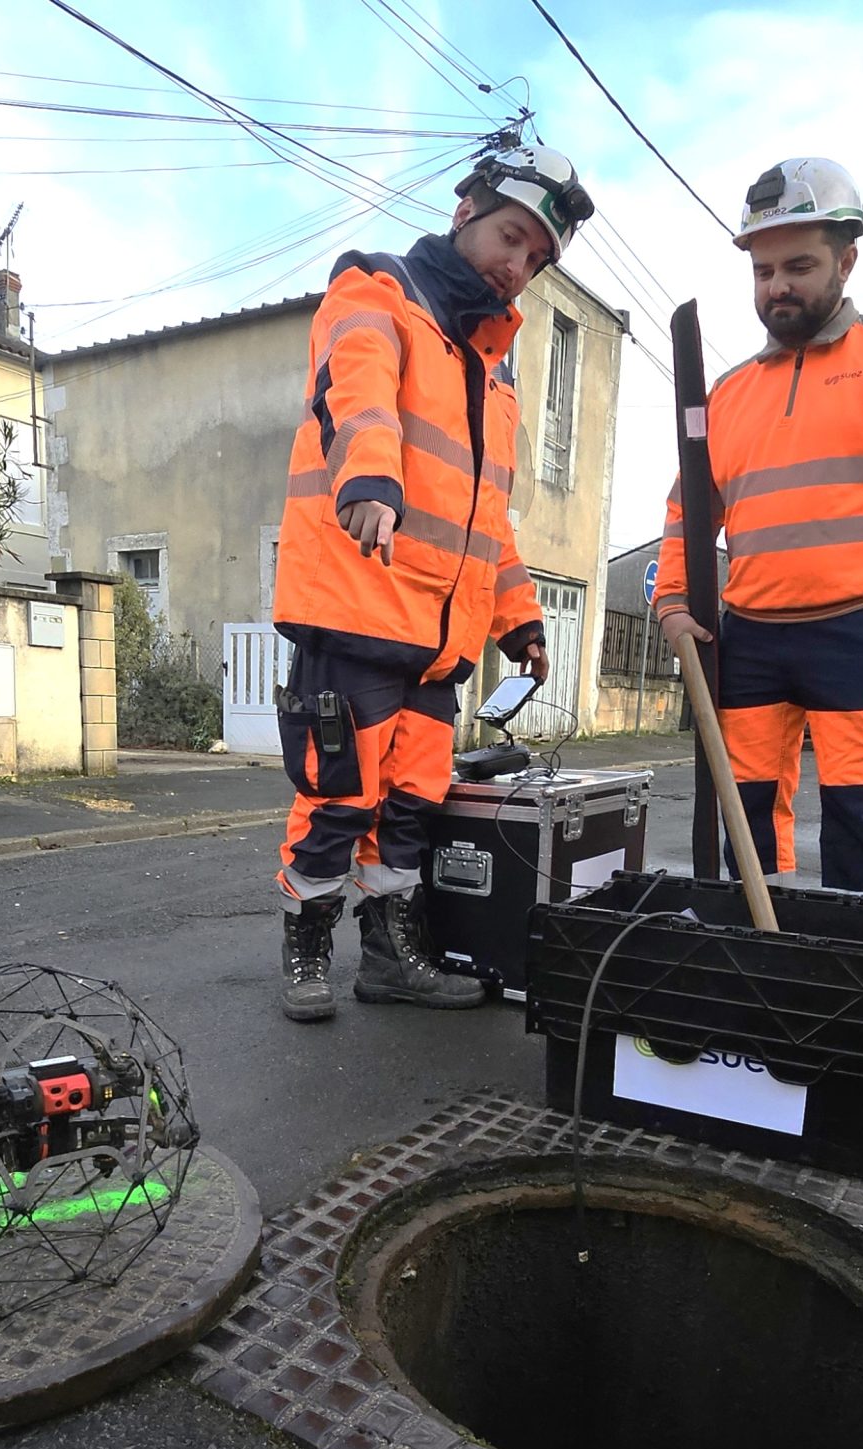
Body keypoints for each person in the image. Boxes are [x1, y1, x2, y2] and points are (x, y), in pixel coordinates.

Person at [269, 146, 595, 1022]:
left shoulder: (493, 376)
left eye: (535, 257)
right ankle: (306, 952)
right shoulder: (377, 290)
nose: (517, 266)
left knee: (411, 811)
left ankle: (389, 958)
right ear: (465, 212)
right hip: (355, 611)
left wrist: (519, 618)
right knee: (337, 800)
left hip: (438, 642)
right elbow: (358, 387)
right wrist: (369, 476)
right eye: (510, 237)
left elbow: (489, 522)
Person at [654, 157, 863, 896]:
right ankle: (760, 963)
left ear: (847, 260)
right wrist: (673, 603)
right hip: (752, 636)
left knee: (861, 815)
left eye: (798, 266)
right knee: (747, 815)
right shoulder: (730, 394)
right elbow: (688, 513)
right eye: (764, 271)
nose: (778, 287)